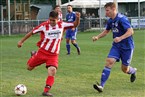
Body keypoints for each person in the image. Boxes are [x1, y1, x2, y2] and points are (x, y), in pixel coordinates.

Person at [17, 10, 80, 96]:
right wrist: (21, 41)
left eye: (53, 20)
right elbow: (32, 32)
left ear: (57, 19)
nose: (51, 22)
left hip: (53, 55)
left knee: (52, 70)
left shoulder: (62, 24)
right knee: (29, 68)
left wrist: (78, 18)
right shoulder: (44, 26)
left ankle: (45, 91)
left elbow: (75, 24)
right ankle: (33, 55)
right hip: (42, 52)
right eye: (50, 20)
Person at [92, 2, 137, 93]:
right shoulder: (110, 20)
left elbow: (131, 31)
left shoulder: (122, 19)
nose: (106, 13)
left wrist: (120, 38)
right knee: (109, 61)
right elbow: (106, 31)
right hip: (116, 46)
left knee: (124, 69)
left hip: (127, 47)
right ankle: (101, 86)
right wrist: (97, 37)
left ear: (113, 9)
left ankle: (133, 71)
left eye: (107, 10)